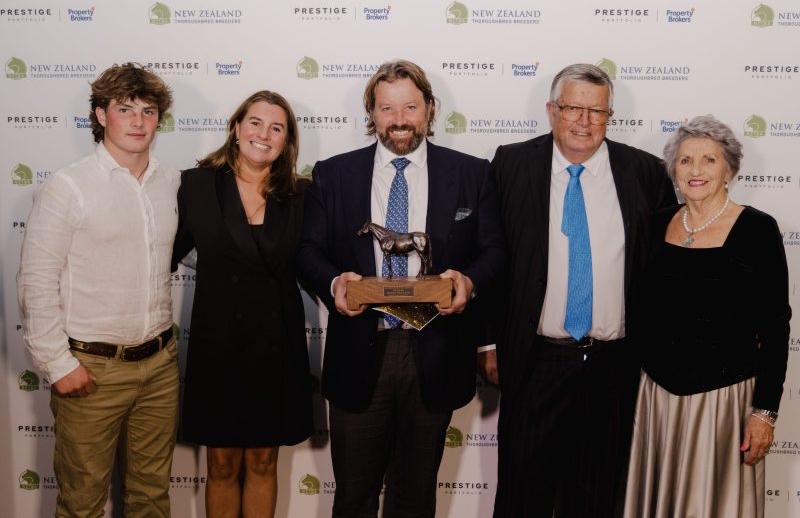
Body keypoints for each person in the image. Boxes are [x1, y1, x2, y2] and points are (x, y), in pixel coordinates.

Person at [297, 59, 505, 517]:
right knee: (353, 497)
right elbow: (308, 251)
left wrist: (468, 281)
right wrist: (334, 283)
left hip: (435, 351)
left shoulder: (472, 173)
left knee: (415, 497)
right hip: (359, 349)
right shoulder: (333, 174)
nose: (399, 119)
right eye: (387, 108)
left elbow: (493, 251)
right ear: (371, 112)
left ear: (429, 108)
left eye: (410, 106)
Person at [484, 63, 677, 518]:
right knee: (522, 496)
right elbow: (491, 257)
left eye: (597, 111)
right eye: (573, 108)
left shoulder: (645, 171)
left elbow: (667, 268)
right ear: (552, 110)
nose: (584, 121)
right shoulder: (510, 164)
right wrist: (488, 341)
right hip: (534, 359)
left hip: (614, 364)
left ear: (610, 116)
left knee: (596, 497)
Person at [17, 63, 179, 517]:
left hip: (160, 367)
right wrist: (58, 364)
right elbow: (36, 280)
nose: (138, 121)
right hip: (91, 370)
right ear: (101, 115)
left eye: (148, 111)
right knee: (82, 504)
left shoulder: (170, 182)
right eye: (125, 109)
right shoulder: (69, 186)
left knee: (151, 497)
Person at [623, 115, 791, 518]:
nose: (695, 170)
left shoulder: (757, 229)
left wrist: (764, 412)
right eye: (685, 160)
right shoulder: (657, 222)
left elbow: (775, 327)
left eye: (709, 160)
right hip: (655, 401)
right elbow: (640, 312)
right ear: (673, 170)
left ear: (729, 169)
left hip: (722, 405)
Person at [171, 91, 313, 518]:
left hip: (277, 345)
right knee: (221, 463)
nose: (263, 134)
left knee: (265, 461)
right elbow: (162, 254)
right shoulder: (195, 186)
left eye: (276, 128)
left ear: (286, 141)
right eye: (255, 123)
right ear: (236, 128)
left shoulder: (302, 194)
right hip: (218, 344)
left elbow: (317, 262)